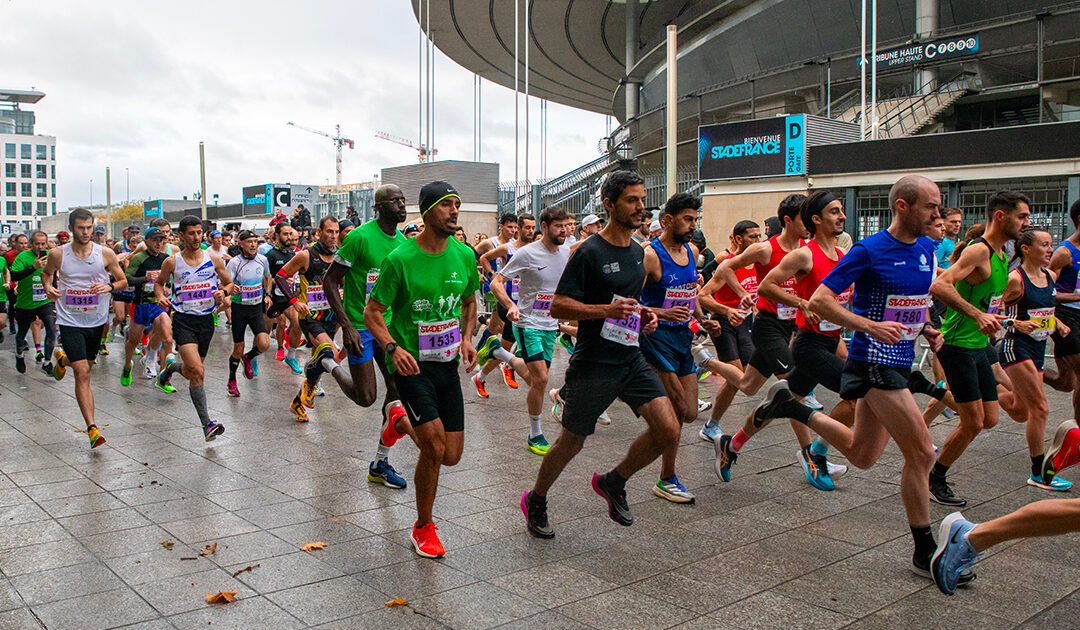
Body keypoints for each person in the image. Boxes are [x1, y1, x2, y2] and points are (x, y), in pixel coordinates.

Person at [750, 174, 977, 582]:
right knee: (923, 453)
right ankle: (925, 551)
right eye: (930, 206)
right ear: (903, 207)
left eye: (939, 206)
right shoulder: (869, 250)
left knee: (862, 454)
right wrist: (868, 326)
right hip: (872, 360)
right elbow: (820, 300)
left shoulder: (927, 249)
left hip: (899, 355)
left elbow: (914, 299)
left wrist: (923, 325)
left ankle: (791, 407)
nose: (938, 215)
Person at [520, 170, 679, 541]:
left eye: (642, 199)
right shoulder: (588, 252)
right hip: (593, 363)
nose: (641, 207)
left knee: (668, 429)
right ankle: (536, 498)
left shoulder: (640, 252)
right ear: (609, 204)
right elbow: (558, 306)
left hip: (630, 356)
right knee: (571, 442)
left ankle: (613, 481)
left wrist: (644, 317)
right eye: (632, 200)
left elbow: (629, 304)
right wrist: (606, 312)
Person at [364, 181, 479, 558]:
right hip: (410, 364)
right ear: (427, 212)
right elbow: (373, 312)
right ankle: (423, 526)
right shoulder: (400, 259)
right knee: (433, 446)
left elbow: (469, 302)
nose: (454, 211)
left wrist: (467, 338)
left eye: (457, 205)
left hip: (446, 362)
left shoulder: (463, 256)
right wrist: (392, 348)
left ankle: (398, 419)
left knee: (452, 455)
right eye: (447, 205)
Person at [710, 194, 845, 485]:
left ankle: (730, 443)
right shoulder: (765, 249)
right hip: (768, 326)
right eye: (804, 218)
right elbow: (724, 269)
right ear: (788, 220)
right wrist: (744, 294)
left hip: (792, 329)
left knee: (748, 385)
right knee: (791, 391)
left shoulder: (809, 251)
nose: (809, 223)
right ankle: (810, 456)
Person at [753, 191, 860, 491]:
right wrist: (802, 303)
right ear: (816, 219)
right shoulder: (804, 254)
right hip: (806, 342)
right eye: (835, 211)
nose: (841, 216)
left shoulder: (841, 256)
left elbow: (841, 298)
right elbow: (765, 286)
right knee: (855, 393)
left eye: (842, 211)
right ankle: (817, 452)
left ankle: (733, 443)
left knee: (779, 393)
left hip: (830, 339)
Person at [929, 191, 1030, 507]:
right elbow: (940, 285)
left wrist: (999, 319)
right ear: (1001, 216)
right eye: (1022, 217)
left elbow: (987, 303)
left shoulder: (1001, 256)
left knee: (990, 419)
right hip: (957, 346)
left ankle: (937, 394)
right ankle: (934, 476)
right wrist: (975, 314)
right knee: (972, 422)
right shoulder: (979, 252)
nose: (1026, 223)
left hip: (979, 347)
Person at [322, 184, 416, 489]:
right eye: (395, 201)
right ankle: (327, 364)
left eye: (403, 200)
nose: (402, 205)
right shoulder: (359, 238)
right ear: (379, 208)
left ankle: (380, 462)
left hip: (387, 328)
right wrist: (346, 325)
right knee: (366, 397)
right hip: (359, 327)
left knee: (396, 392)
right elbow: (330, 281)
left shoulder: (403, 243)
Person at [638, 193, 718, 503]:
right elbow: (630, 303)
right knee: (675, 414)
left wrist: (703, 318)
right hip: (656, 340)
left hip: (683, 338)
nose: (693, 225)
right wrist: (661, 314)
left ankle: (665, 468)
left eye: (695, 219)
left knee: (688, 414)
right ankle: (667, 477)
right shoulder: (650, 255)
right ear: (667, 220)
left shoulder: (691, 250)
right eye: (688, 219)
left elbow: (687, 294)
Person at [41, 209, 128, 448]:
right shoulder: (59, 254)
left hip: (97, 321)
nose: (86, 232)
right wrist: (48, 287)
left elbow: (123, 281)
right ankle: (92, 428)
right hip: (70, 320)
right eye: (81, 228)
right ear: (71, 229)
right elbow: (46, 275)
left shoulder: (106, 253)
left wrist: (109, 287)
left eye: (89, 227)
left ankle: (62, 361)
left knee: (85, 366)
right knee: (83, 373)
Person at [490, 205, 572, 456]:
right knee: (542, 379)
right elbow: (497, 282)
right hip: (527, 324)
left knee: (536, 378)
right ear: (544, 227)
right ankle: (535, 434)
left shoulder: (566, 251)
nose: (565, 231)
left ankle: (501, 354)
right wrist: (510, 305)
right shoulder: (526, 254)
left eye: (568, 226)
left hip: (550, 326)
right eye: (559, 226)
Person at [997, 228, 1073, 490]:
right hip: (1015, 347)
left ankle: (989, 388)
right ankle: (1040, 472)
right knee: (1041, 409)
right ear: (1026, 249)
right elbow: (988, 312)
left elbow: (1044, 311)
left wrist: (1058, 323)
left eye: (1051, 244)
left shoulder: (1050, 276)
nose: (1050, 250)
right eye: (1044, 245)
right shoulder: (1014, 279)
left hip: (1038, 347)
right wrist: (1015, 322)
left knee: (1020, 411)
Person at [154, 215, 233, 441]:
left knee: (191, 371)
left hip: (206, 321)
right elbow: (159, 284)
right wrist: (160, 296)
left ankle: (171, 367)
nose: (196, 237)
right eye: (191, 233)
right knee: (198, 371)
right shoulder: (172, 262)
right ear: (181, 235)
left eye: (199, 232)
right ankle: (207, 424)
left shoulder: (213, 259)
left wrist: (223, 293)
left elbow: (227, 283)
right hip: (183, 320)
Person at [697, 220, 760, 441]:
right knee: (738, 378)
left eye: (759, 236)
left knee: (743, 380)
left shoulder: (759, 265)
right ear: (739, 239)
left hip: (746, 325)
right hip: (724, 323)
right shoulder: (728, 265)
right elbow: (703, 296)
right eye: (752, 237)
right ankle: (706, 362)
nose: (757, 241)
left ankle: (710, 425)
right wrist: (726, 310)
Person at [276, 216, 341, 421]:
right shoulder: (305, 256)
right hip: (310, 316)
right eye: (329, 231)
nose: (333, 236)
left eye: (336, 232)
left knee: (322, 361)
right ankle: (308, 386)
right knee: (329, 353)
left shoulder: (340, 256)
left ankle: (297, 402)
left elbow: (344, 283)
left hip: (331, 316)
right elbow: (280, 276)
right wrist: (294, 300)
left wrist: (342, 293)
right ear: (319, 232)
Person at [475, 213, 536, 395]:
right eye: (527, 228)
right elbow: (484, 257)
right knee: (519, 337)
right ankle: (509, 363)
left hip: (526, 302)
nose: (531, 231)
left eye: (533, 228)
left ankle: (482, 375)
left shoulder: (534, 249)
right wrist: (492, 275)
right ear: (519, 229)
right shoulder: (507, 248)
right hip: (507, 302)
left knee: (505, 342)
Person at [122, 226, 175, 388]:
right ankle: (126, 366)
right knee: (133, 341)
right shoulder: (139, 258)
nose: (158, 244)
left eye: (161, 240)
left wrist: (167, 287)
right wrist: (145, 278)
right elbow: (126, 279)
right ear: (146, 241)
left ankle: (163, 375)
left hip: (158, 304)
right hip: (140, 305)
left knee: (167, 338)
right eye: (154, 241)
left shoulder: (166, 258)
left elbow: (169, 279)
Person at [224, 230, 272, 398]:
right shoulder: (235, 263)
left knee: (264, 343)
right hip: (239, 308)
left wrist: (267, 294)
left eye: (255, 241)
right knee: (238, 347)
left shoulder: (262, 259)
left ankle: (248, 358)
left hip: (256, 307)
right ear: (241, 244)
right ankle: (232, 380)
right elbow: (227, 284)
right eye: (249, 242)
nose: (253, 245)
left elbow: (268, 276)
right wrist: (232, 289)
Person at [1047, 200, 1080, 420]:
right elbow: (1044, 291)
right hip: (1064, 318)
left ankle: (1024, 368)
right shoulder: (1064, 253)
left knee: (1066, 383)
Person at [10, 231, 56, 375]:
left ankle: (47, 362)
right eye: (37, 244)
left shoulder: (51, 255)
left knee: (51, 329)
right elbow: (14, 275)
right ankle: (19, 356)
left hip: (44, 301)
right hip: (25, 302)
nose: (40, 246)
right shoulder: (22, 257)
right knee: (21, 334)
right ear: (31, 244)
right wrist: (33, 268)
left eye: (43, 244)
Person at [264, 223, 303, 373]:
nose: (289, 237)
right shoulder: (270, 255)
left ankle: (290, 356)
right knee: (262, 337)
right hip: (272, 298)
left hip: (287, 298)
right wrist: (278, 281)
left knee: (297, 323)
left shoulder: (293, 255)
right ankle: (251, 357)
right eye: (285, 234)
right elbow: (264, 278)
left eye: (290, 234)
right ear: (277, 235)